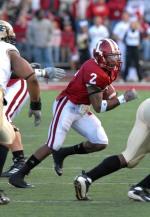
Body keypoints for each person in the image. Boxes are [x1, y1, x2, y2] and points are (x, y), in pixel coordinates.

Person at [9, 38, 137, 189]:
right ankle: (19, 175)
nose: (116, 60)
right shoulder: (94, 70)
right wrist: (123, 98)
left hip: (82, 107)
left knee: (100, 142)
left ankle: (63, 153)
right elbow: (99, 107)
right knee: (53, 144)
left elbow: (105, 84)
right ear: (101, 57)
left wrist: (110, 92)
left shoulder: (110, 68)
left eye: (116, 55)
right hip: (67, 105)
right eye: (112, 56)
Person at [73, 98, 150, 202]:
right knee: (129, 157)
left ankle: (87, 178)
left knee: (129, 158)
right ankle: (140, 188)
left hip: (146, 107)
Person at [0, 19, 42, 204]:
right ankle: (20, 162)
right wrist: (36, 105)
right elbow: (30, 77)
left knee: (6, 132)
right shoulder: (8, 50)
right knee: (4, 135)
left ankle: (19, 161)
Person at [0, 63, 66, 178]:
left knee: (3, 120)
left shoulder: (7, 49)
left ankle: (20, 162)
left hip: (15, 85)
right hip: (6, 85)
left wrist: (39, 72)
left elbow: (9, 71)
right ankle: (19, 161)